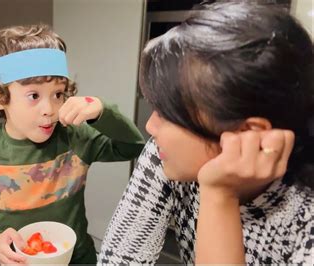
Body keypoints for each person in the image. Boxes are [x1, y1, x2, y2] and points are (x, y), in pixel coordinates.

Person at [99, 2, 313, 264]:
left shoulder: (305, 222)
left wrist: (220, 194)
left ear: (248, 132)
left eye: (166, 114)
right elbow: (119, 259)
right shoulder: (165, 153)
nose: (150, 127)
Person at [0, 24, 145, 264]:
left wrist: (102, 111)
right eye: (34, 96)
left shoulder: (75, 136)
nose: (49, 110)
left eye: (58, 94)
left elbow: (133, 147)